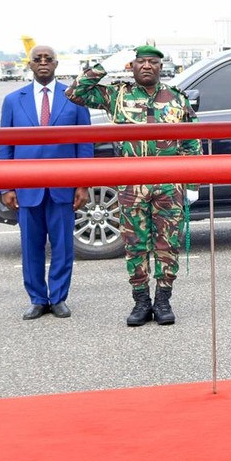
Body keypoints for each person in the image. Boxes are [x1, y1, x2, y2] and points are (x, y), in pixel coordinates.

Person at [68, 44, 198, 327]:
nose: (147, 66)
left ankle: (163, 300)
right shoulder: (117, 94)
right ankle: (140, 301)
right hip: (132, 185)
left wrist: (191, 182)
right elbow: (74, 92)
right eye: (141, 62)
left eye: (153, 62)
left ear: (161, 68)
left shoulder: (177, 99)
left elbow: (191, 140)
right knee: (135, 245)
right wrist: (103, 66)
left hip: (168, 185)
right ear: (132, 66)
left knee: (168, 244)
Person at [0, 45, 91, 320]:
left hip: (64, 187)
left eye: (48, 59)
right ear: (30, 65)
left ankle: (59, 298)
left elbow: (84, 144)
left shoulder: (74, 98)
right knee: (31, 246)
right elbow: (6, 146)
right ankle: (38, 299)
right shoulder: (14, 100)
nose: (43, 63)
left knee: (63, 246)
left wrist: (82, 184)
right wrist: (6, 186)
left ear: (56, 64)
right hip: (27, 188)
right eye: (37, 59)